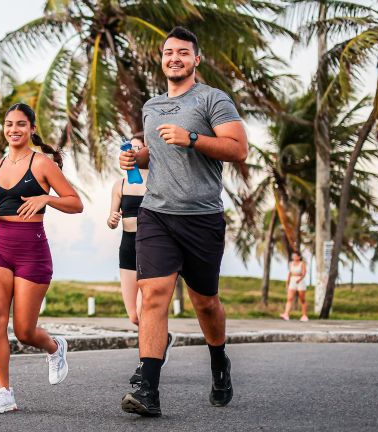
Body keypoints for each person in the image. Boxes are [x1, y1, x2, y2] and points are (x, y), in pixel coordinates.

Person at [119, 27, 248, 417]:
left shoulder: (213, 98)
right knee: (153, 294)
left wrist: (191, 137)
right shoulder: (152, 105)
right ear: (162, 58)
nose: (174, 58)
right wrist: (138, 157)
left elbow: (239, 149)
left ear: (196, 59)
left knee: (205, 302)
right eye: (168, 52)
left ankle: (219, 362)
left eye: (182, 52)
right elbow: (158, 154)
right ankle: (148, 390)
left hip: (201, 216)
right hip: (157, 213)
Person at [0, 103, 83, 414]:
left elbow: (75, 203)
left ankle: (54, 347)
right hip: (0, 247)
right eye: (9, 124)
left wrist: (46, 198)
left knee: (24, 331)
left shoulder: (42, 165)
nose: (14, 129)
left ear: (32, 129)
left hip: (32, 251)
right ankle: (4, 392)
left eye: (21, 124)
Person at [107, 132, 175, 384]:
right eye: (129, 148)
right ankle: (163, 339)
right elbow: (112, 218)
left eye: (138, 148)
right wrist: (112, 219)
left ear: (147, 151)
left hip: (150, 248)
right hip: (126, 247)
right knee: (134, 316)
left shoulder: (156, 182)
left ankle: (145, 362)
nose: (133, 152)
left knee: (142, 308)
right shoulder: (120, 184)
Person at [280, 252, 309, 322]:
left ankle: (304, 315)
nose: (294, 257)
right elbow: (289, 273)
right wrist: (287, 282)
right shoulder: (291, 264)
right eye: (293, 256)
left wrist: (300, 279)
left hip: (300, 281)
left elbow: (304, 273)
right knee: (289, 298)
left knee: (302, 299)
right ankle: (286, 314)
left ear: (299, 257)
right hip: (293, 281)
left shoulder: (302, 263)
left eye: (296, 256)